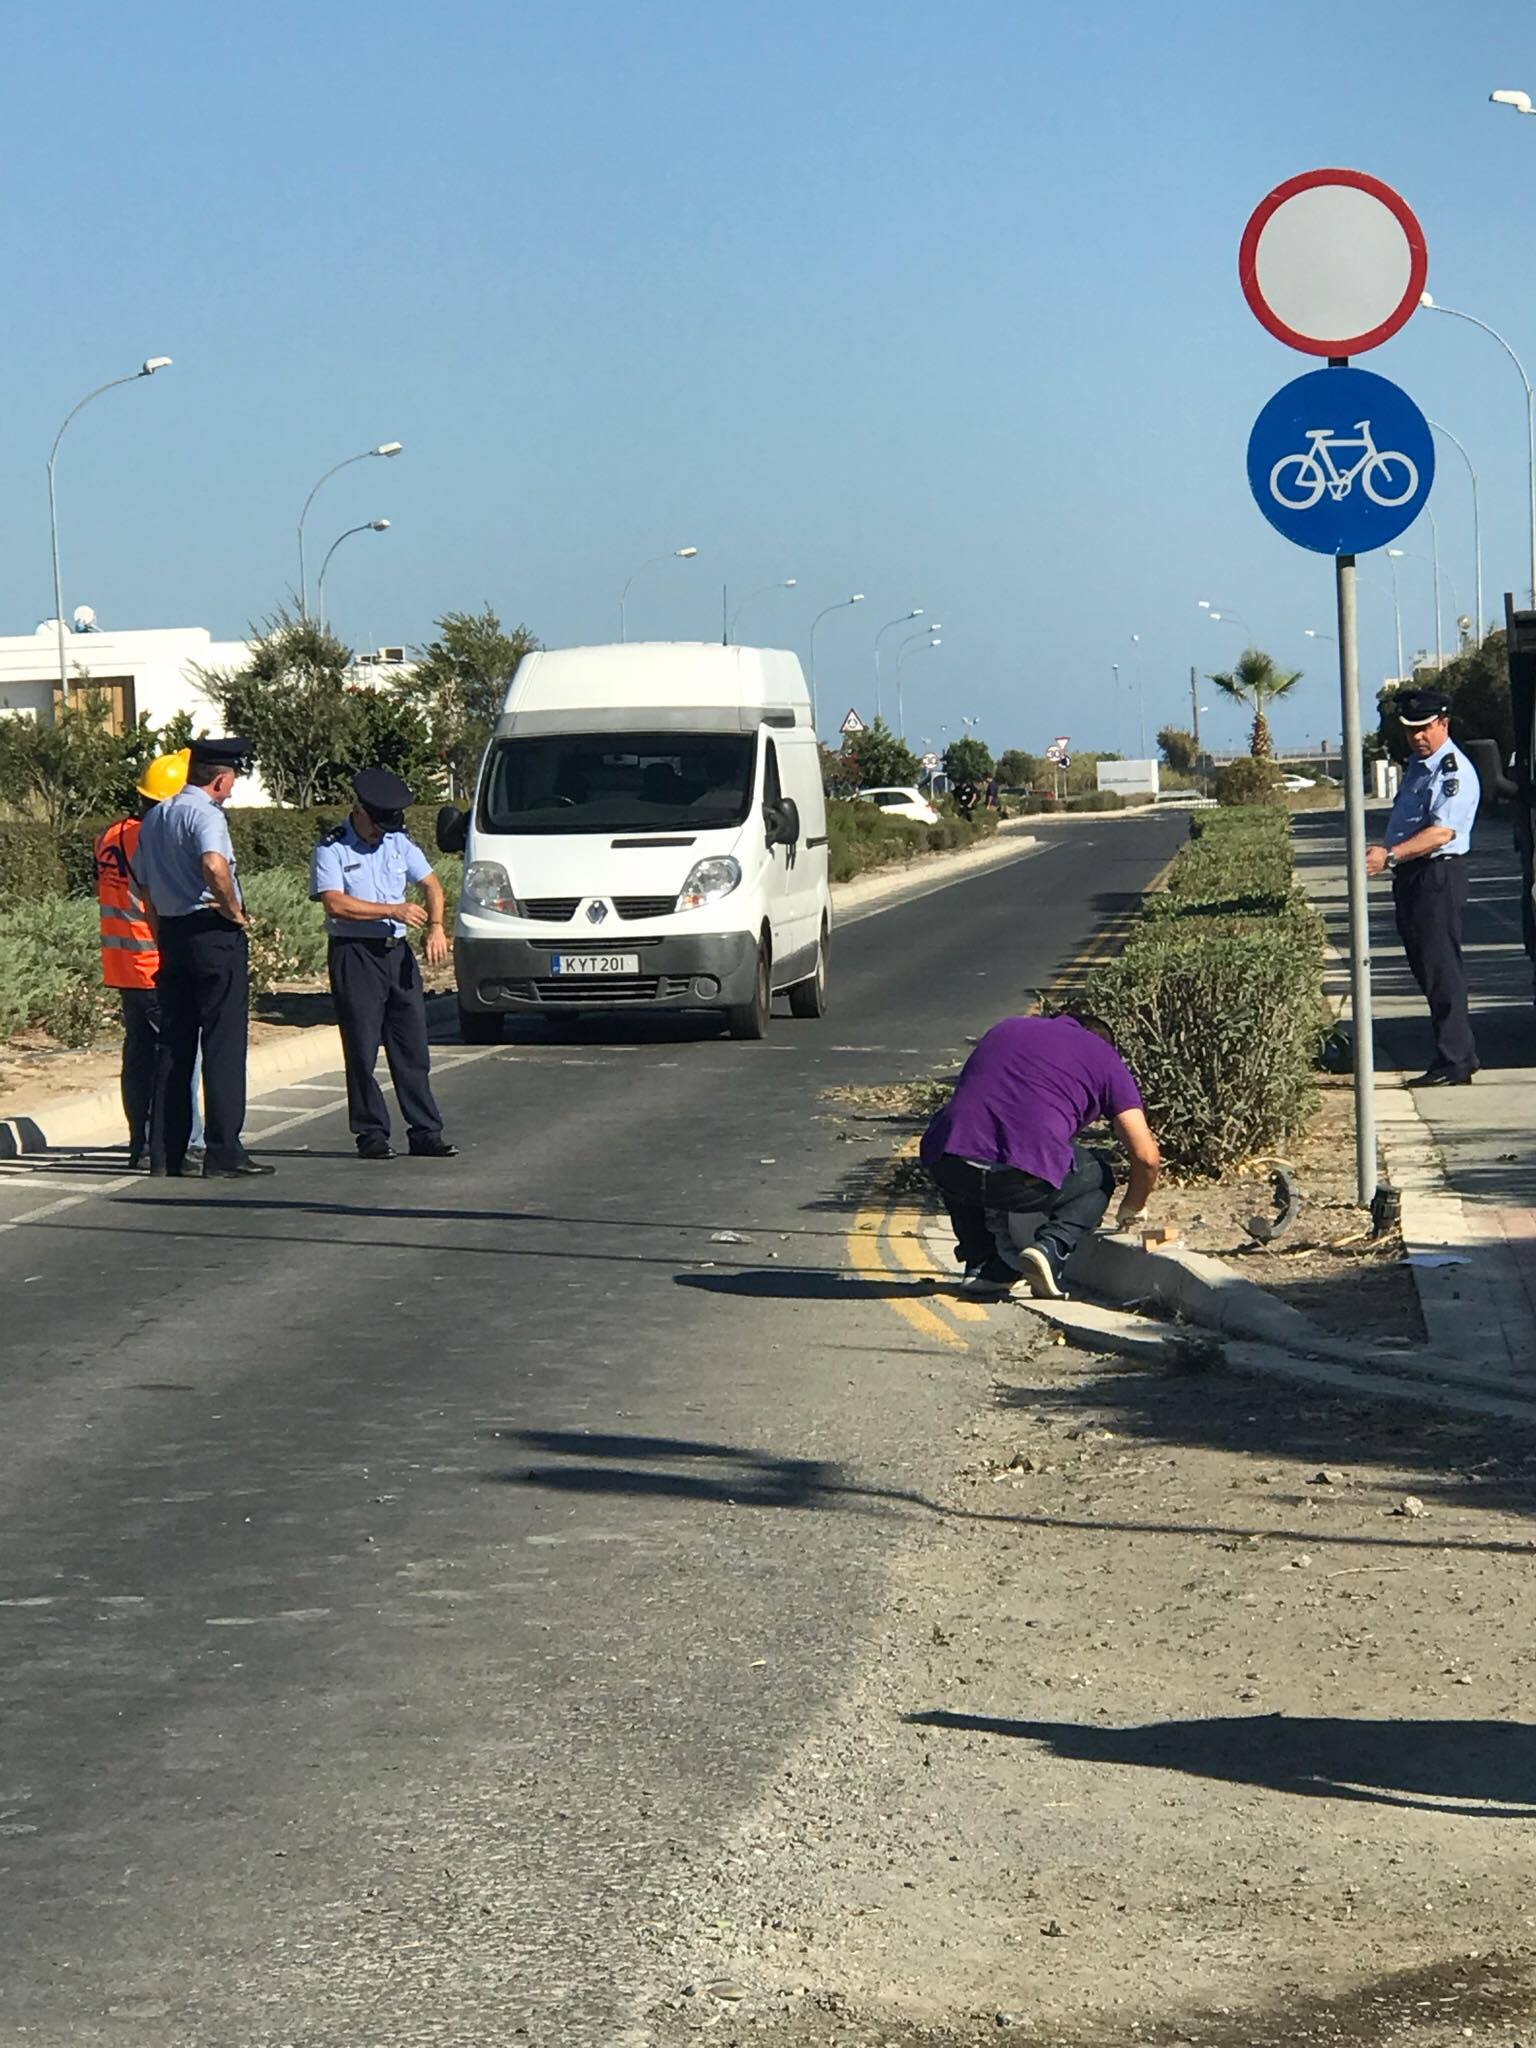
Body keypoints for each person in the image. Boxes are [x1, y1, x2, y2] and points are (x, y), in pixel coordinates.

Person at [919, 1007, 1160, 1298]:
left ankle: (984, 1264)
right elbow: (1146, 1156)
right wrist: (1132, 1207)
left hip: (949, 1168)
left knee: (956, 1142)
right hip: (1020, 1180)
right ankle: (1051, 1248)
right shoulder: (1104, 1056)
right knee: (1098, 1174)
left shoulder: (1006, 1028)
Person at [135, 736, 273, 1179]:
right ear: (219, 779)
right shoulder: (206, 815)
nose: (231, 789)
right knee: (222, 1042)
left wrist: (161, 936)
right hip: (212, 934)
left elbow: (144, 887)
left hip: (173, 935)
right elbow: (215, 865)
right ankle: (223, 1151)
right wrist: (234, 912)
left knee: (175, 1043)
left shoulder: (156, 816)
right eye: (231, 781)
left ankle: (167, 1152)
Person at [309, 768, 457, 1161]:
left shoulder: (397, 842)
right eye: (377, 825)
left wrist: (437, 927)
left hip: (396, 954)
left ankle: (425, 1131)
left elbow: (431, 885)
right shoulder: (332, 847)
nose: (381, 834)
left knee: (411, 1046)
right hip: (354, 953)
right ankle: (371, 1133)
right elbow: (335, 902)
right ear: (360, 812)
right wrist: (392, 908)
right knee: (361, 1047)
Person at [94, 749, 206, 1168]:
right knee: (180, 1055)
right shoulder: (161, 838)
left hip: (121, 965)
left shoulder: (108, 836)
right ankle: (187, 1143)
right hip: (158, 961)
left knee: (139, 1054)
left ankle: (140, 1144)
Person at [1365, 686, 1482, 1087]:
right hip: (1414, 876)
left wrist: (1390, 855)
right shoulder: (1420, 765)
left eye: (1425, 728)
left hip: (1437, 874)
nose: (1417, 736)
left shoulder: (1452, 770)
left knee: (1441, 969)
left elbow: (1441, 832)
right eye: (1410, 730)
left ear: (1443, 723)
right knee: (1426, 968)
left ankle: (1455, 1061)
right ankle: (1459, 1053)